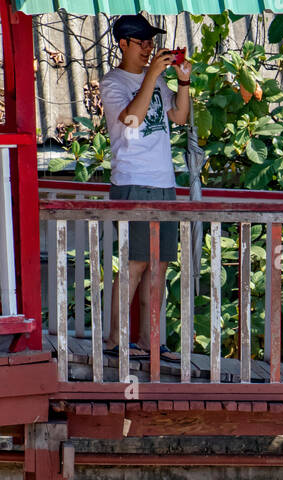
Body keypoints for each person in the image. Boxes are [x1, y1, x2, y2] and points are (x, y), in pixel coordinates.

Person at [100, 15, 192, 362]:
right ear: (123, 43)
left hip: (164, 182)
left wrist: (182, 83)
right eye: (142, 43)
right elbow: (131, 120)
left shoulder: (158, 81)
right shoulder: (112, 82)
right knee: (134, 263)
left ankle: (151, 340)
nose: (148, 49)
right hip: (132, 182)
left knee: (160, 264)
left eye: (151, 43)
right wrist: (152, 76)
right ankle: (115, 339)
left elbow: (179, 117)